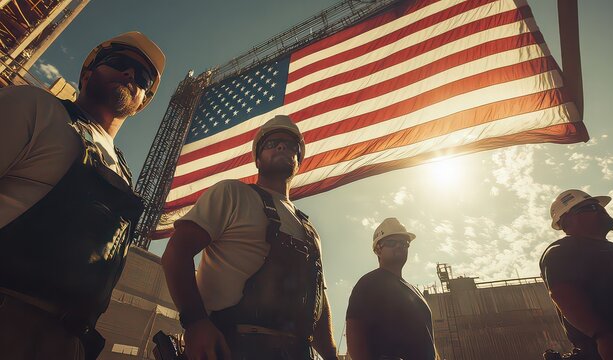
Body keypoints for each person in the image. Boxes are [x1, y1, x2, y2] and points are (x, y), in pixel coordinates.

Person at [0, 32, 165, 359]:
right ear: (87, 74)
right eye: (119, 63)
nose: (130, 74)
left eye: (142, 76)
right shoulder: (34, 107)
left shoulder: (124, 173)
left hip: (67, 341)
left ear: (143, 101)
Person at [162, 115, 338, 360]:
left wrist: (330, 354)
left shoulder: (309, 230)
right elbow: (176, 253)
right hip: (233, 347)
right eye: (273, 142)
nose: (281, 146)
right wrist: (195, 323)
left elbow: (319, 298)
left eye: (290, 145)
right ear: (257, 158)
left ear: (299, 160)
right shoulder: (232, 193)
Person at [540, 189, 613, 360]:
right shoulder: (562, 251)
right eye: (589, 207)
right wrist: (604, 336)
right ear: (567, 220)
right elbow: (562, 293)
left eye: (598, 206)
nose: (600, 210)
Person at [346, 217, 437, 360]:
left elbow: (427, 339)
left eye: (404, 242)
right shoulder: (369, 283)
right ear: (377, 250)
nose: (399, 246)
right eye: (391, 242)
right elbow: (355, 330)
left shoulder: (415, 292)